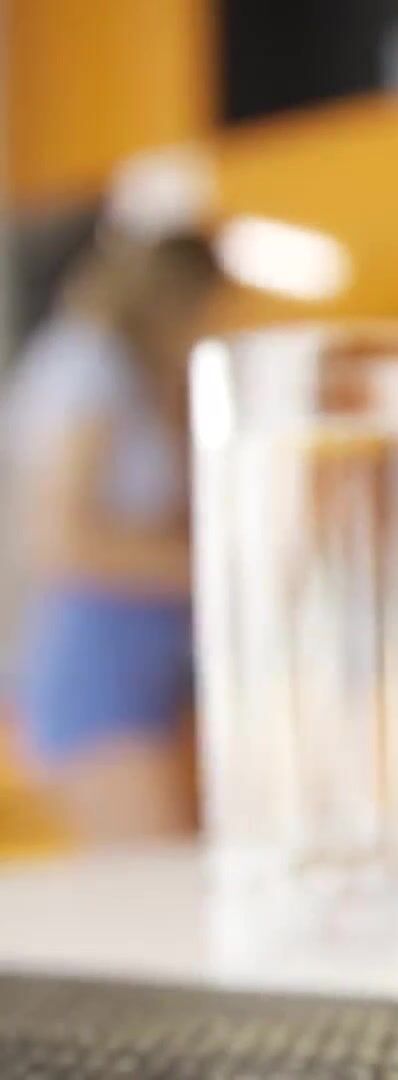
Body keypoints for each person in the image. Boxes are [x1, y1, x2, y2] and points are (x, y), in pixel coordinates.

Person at [4, 229, 224, 843]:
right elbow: (63, 539)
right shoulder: (90, 364)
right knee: (151, 872)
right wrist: (219, 571)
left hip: (149, 659)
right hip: (97, 663)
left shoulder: (136, 377)